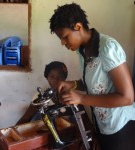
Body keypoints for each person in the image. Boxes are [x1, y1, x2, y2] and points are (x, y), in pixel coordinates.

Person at [49, 3, 135, 150]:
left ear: (78, 26)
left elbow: (127, 98)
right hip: (102, 126)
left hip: (121, 126)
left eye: (65, 37)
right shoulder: (82, 51)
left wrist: (81, 98)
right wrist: (73, 84)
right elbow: (95, 83)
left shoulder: (107, 48)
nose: (62, 43)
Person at [16, 61, 69, 125]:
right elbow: (25, 118)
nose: (55, 80)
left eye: (59, 76)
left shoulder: (72, 97)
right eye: (52, 77)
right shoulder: (40, 98)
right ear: (47, 78)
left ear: (64, 78)